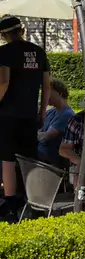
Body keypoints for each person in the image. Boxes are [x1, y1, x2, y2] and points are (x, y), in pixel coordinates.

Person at [0, 15, 50, 215]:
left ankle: (11, 203)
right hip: (31, 115)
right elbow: (46, 86)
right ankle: (33, 199)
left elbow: (3, 82)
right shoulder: (38, 52)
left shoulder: (4, 52)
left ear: (4, 35)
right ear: (21, 30)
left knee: (7, 159)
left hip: (7, 115)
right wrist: (43, 111)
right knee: (29, 158)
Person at [37, 79, 75, 168]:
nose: (47, 95)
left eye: (50, 92)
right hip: (40, 155)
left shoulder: (67, 114)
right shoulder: (51, 112)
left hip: (50, 160)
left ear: (60, 93)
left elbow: (46, 137)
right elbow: (39, 129)